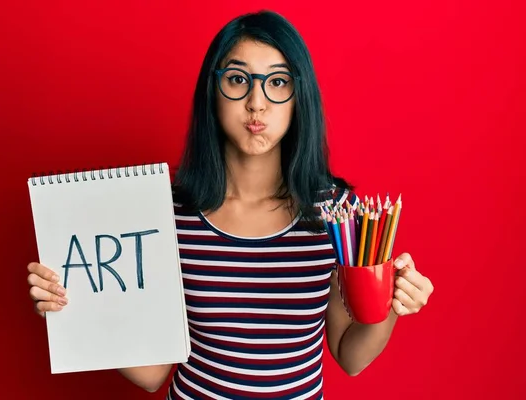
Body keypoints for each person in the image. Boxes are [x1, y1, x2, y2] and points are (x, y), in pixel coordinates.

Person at [26, 10, 434, 399]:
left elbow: (351, 355)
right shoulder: (167, 213)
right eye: (238, 80)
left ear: (299, 96)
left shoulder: (337, 213)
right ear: (213, 90)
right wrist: (76, 307)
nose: (257, 103)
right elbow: (151, 375)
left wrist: (392, 302)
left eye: (277, 83)